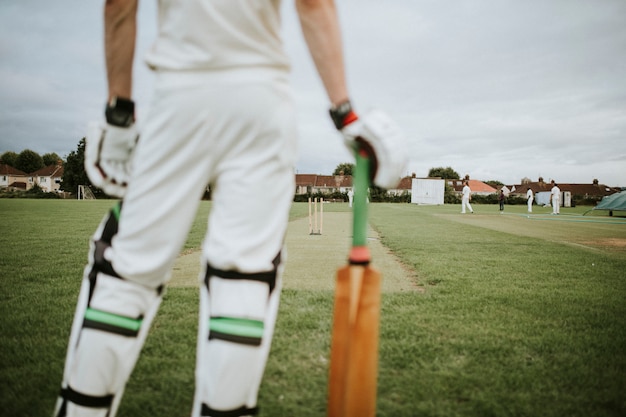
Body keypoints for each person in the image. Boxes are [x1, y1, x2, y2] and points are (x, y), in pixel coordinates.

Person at [53, 1, 407, 417]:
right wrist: (345, 114)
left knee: (128, 271)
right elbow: (312, 4)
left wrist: (119, 115)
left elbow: (119, 7)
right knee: (244, 279)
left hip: (180, 96)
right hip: (262, 103)